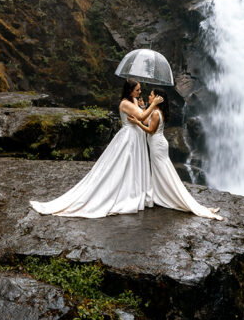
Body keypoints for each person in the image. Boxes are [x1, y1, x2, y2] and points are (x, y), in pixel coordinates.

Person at [29, 81, 162, 218]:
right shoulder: (124, 103)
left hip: (137, 136)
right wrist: (153, 105)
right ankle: (123, 192)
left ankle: (135, 190)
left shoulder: (133, 100)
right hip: (129, 137)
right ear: (129, 91)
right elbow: (141, 117)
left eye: (140, 90)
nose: (140, 92)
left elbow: (142, 117)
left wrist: (143, 106)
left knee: (134, 165)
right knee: (124, 164)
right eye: (137, 90)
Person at [137, 88, 222, 220]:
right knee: (162, 170)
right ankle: (160, 193)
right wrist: (142, 107)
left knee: (163, 170)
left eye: (151, 95)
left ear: (157, 98)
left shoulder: (155, 113)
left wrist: (136, 122)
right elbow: (146, 119)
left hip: (157, 145)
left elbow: (150, 129)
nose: (149, 96)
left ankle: (169, 195)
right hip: (158, 144)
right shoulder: (156, 111)